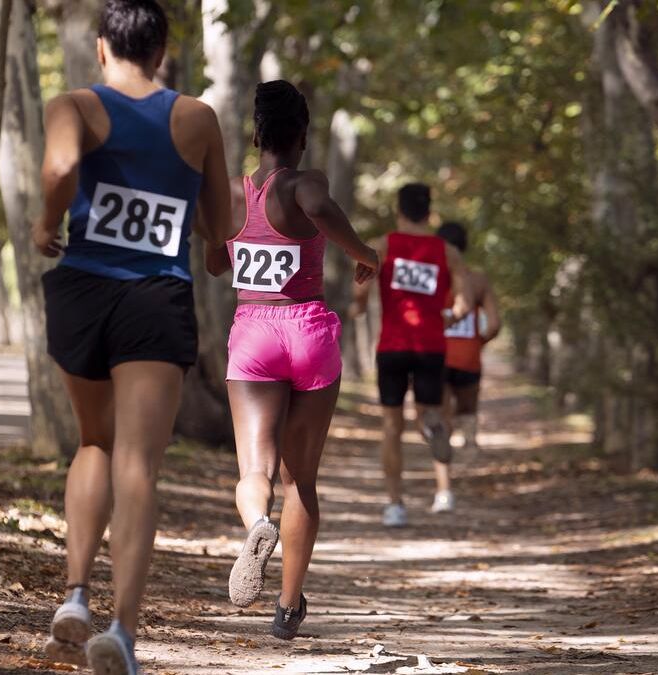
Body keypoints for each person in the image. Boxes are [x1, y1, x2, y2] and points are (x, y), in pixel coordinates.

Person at [31, 1, 231, 671]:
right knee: (139, 462)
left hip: (82, 289)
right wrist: (211, 251)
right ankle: (120, 629)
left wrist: (46, 222)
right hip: (154, 297)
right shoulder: (197, 117)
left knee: (94, 440)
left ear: (101, 48)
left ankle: (75, 592)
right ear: (163, 50)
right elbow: (219, 221)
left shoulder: (75, 106)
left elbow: (60, 170)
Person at [205, 80, 379, 640]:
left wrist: (228, 241)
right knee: (301, 478)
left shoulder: (231, 192)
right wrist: (364, 254)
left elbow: (213, 262)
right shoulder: (307, 182)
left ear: (255, 134)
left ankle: (258, 524)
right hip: (307, 331)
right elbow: (321, 208)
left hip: (253, 334)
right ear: (301, 135)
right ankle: (287, 606)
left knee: (255, 470)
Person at [350, 184, 469, 527]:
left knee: (391, 426)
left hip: (393, 347)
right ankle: (436, 441)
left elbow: (361, 293)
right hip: (431, 346)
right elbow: (461, 303)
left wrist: (357, 307)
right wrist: (448, 316)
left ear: (399, 211)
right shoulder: (448, 252)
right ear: (430, 213)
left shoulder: (384, 246)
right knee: (430, 413)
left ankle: (394, 505)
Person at [435, 222, 500, 507]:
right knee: (467, 412)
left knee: (439, 421)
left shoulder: (431, 279)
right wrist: (477, 342)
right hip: (468, 360)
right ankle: (469, 438)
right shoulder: (478, 281)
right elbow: (495, 324)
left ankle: (444, 489)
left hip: (434, 358)